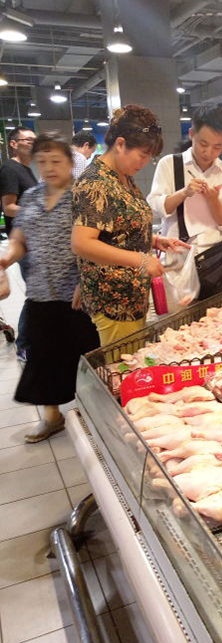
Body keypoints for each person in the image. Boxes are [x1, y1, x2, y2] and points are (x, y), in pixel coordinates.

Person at [0, 134, 99, 442]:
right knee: (43, 355)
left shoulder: (82, 196)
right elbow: (19, 240)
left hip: (76, 295)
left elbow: (97, 243)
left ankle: (98, 416)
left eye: (56, 161)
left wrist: (86, 281)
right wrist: (6, 258)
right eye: (42, 162)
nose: (49, 168)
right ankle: (52, 417)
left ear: (70, 163)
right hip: (40, 292)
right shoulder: (30, 197)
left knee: (87, 357)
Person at [71, 105, 188, 346]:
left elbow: (117, 229)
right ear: (120, 144)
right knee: (122, 364)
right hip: (113, 300)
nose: (144, 162)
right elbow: (82, 243)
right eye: (142, 155)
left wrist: (154, 240)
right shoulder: (95, 182)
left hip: (132, 295)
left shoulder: (122, 176)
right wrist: (141, 260)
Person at [147, 106, 222, 298]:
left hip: (215, 258)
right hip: (176, 257)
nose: (209, 152)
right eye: (203, 144)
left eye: (217, 147)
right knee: (177, 314)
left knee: (216, 314)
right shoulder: (170, 164)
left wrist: (213, 201)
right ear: (191, 134)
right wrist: (183, 193)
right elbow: (155, 208)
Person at [0, 126, 37, 358]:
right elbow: (9, 207)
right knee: (36, 295)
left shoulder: (26, 169)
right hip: (23, 242)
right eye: (28, 140)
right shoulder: (10, 169)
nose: (33, 144)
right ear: (14, 143)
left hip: (33, 240)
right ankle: (24, 344)